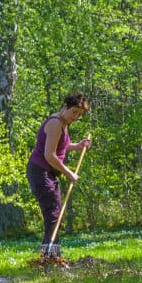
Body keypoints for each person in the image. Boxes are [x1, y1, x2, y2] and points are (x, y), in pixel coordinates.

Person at [26, 93, 92, 259]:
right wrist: (70, 173)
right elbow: (50, 155)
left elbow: (61, 145)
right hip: (40, 172)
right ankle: (49, 256)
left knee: (55, 212)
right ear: (65, 107)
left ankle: (51, 254)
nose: (76, 117)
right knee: (53, 212)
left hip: (48, 173)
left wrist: (78, 146)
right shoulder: (55, 123)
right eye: (74, 112)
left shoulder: (63, 123)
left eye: (79, 114)